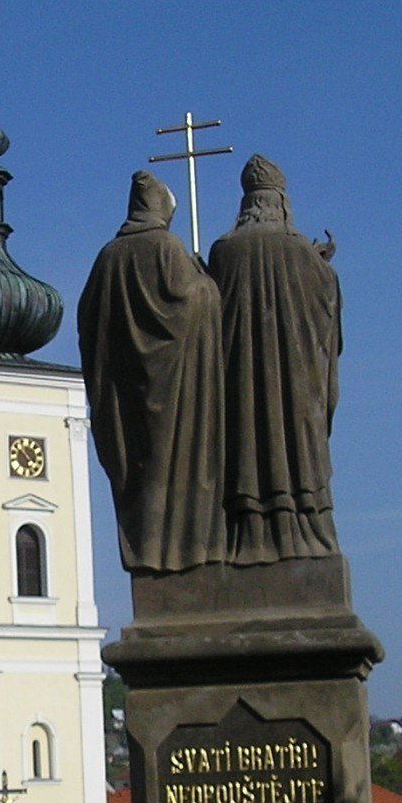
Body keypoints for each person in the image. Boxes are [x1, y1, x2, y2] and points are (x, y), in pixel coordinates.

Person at [76, 171, 228, 574]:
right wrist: (206, 280)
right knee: (179, 474)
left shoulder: (108, 257)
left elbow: (88, 322)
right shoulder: (167, 247)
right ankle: (180, 554)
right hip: (174, 390)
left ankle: (147, 552)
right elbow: (188, 304)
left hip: (124, 399)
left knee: (140, 480)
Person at [209, 155, 343, 562]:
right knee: (300, 453)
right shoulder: (302, 252)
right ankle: (305, 530)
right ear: (281, 202)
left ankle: (248, 538)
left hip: (242, 387)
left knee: (245, 451)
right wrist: (321, 266)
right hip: (296, 387)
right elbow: (326, 317)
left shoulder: (224, 252)